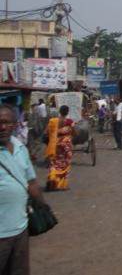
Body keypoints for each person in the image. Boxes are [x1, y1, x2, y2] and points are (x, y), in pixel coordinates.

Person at [0, 104, 46, 275]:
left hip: (20, 229)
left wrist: (42, 207)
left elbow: (31, 182)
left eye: (6, 123)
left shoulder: (19, 146)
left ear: (14, 125)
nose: (2, 127)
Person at [45, 105, 76, 191]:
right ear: (67, 112)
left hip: (56, 144)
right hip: (66, 144)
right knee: (66, 163)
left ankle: (52, 179)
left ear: (59, 111)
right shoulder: (70, 121)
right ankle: (62, 185)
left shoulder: (53, 121)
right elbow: (74, 132)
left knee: (55, 163)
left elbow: (47, 132)